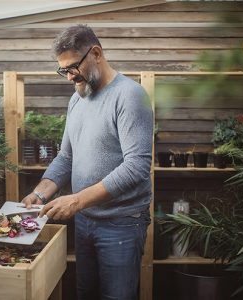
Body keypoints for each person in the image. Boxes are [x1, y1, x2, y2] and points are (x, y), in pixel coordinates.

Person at [22, 24, 153, 300]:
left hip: (121, 224)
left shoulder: (129, 96)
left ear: (96, 53)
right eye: (63, 70)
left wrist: (76, 200)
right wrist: (40, 193)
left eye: (72, 67)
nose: (69, 77)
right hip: (85, 222)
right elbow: (66, 156)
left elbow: (137, 167)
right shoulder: (77, 100)